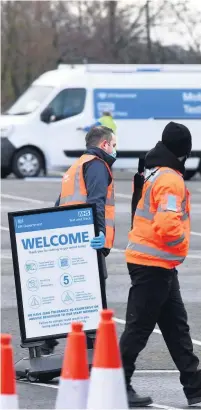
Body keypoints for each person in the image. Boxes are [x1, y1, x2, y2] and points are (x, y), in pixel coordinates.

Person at [120, 121, 201, 408]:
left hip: (158, 264)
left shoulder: (155, 172)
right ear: (183, 152)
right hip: (152, 264)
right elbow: (168, 226)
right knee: (139, 328)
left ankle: (195, 388)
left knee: (177, 329)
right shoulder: (170, 180)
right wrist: (180, 241)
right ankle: (117, 383)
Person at [41, 125, 117, 355]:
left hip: (71, 241)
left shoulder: (76, 166)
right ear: (104, 144)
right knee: (92, 296)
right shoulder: (97, 165)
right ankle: (93, 352)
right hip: (88, 241)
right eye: (113, 145)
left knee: (74, 295)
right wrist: (100, 233)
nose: (114, 150)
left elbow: (59, 205)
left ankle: (50, 342)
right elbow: (96, 201)